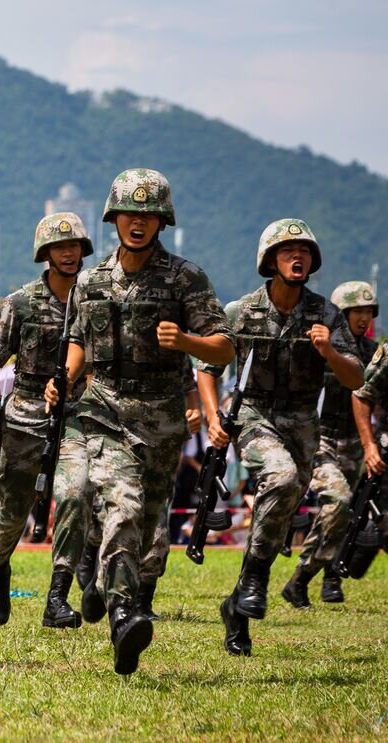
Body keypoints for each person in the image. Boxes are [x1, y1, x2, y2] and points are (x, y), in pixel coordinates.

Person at [45, 169, 235, 674]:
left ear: (161, 221)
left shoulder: (185, 278)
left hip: (160, 423)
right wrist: (63, 378)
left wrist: (187, 343)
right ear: (114, 217)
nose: (138, 222)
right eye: (130, 213)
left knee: (146, 523)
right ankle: (124, 617)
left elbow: (225, 345)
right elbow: (79, 344)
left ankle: (108, 577)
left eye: (148, 215)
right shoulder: (90, 280)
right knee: (123, 507)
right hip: (102, 411)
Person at [202, 219, 361, 656]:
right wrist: (215, 415)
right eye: (288, 250)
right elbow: (210, 369)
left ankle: (237, 605)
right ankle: (255, 580)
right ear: (270, 260)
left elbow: (355, 377)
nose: (298, 257)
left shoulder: (325, 315)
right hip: (254, 414)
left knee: (278, 511)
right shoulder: (242, 311)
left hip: (303, 423)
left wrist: (329, 351)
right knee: (282, 478)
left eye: (304, 251)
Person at [0, 212, 94, 630]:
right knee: (12, 509)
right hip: (25, 415)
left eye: (74, 246)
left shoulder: (95, 299)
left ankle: (57, 597)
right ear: (45, 254)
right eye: (58, 247)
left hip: (77, 413)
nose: (68, 253)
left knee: (75, 492)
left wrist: (78, 379)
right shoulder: (20, 303)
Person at [283, 281, 378, 607]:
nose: (364, 318)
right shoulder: (319, 348)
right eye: (356, 311)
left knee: (346, 514)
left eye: (368, 311)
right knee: (336, 502)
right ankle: (305, 576)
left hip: (355, 442)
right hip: (320, 438)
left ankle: (323, 579)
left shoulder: (372, 353)